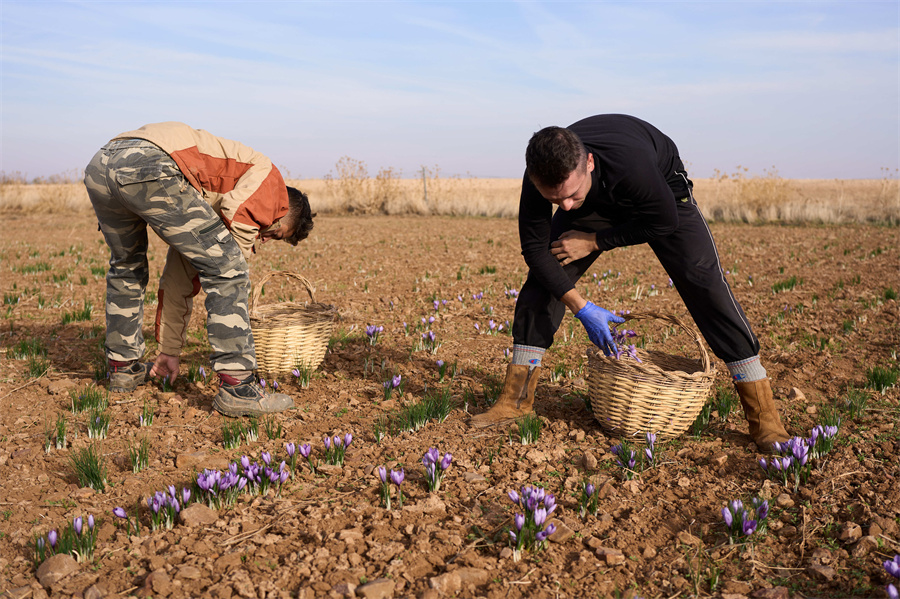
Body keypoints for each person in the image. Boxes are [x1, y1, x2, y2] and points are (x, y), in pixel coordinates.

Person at [470, 114, 791, 452]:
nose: (564, 206)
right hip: (597, 204)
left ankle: (764, 419)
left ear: (589, 163)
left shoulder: (631, 164)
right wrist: (582, 307)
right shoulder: (541, 175)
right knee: (542, 283)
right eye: (555, 200)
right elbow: (535, 250)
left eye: (571, 194)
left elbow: (663, 221)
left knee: (706, 286)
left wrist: (595, 241)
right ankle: (515, 402)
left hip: (663, 201)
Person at [83, 122, 315, 417]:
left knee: (127, 266)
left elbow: (177, 282)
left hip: (102, 165)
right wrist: (232, 265)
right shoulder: (272, 184)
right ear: (283, 211)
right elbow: (236, 216)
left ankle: (123, 368)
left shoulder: (204, 206)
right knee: (230, 269)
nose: (263, 239)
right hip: (150, 163)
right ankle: (238, 388)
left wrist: (168, 351)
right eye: (275, 234)